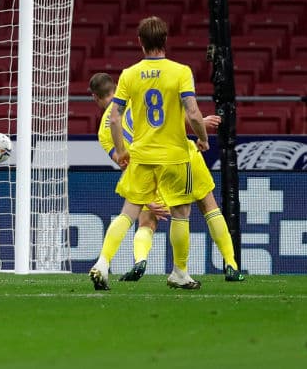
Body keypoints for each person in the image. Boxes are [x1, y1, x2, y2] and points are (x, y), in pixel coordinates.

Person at [89, 17, 244, 291]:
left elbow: (114, 119)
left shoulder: (129, 74)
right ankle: (182, 272)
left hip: (142, 155)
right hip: (175, 155)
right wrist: (203, 138)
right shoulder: (180, 71)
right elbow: (193, 113)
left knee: (128, 214)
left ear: (140, 42)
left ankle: (103, 262)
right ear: (165, 40)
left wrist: (123, 152)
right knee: (182, 213)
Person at [89, 72, 223, 283]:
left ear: (95, 98)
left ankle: (123, 261)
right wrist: (198, 123)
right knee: (184, 214)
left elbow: (124, 164)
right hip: (169, 161)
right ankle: (184, 271)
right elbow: (168, 118)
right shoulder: (137, 98)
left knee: (142, 220)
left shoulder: (104, 131)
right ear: (115, 87)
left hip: (142, 171)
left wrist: (147, 199)